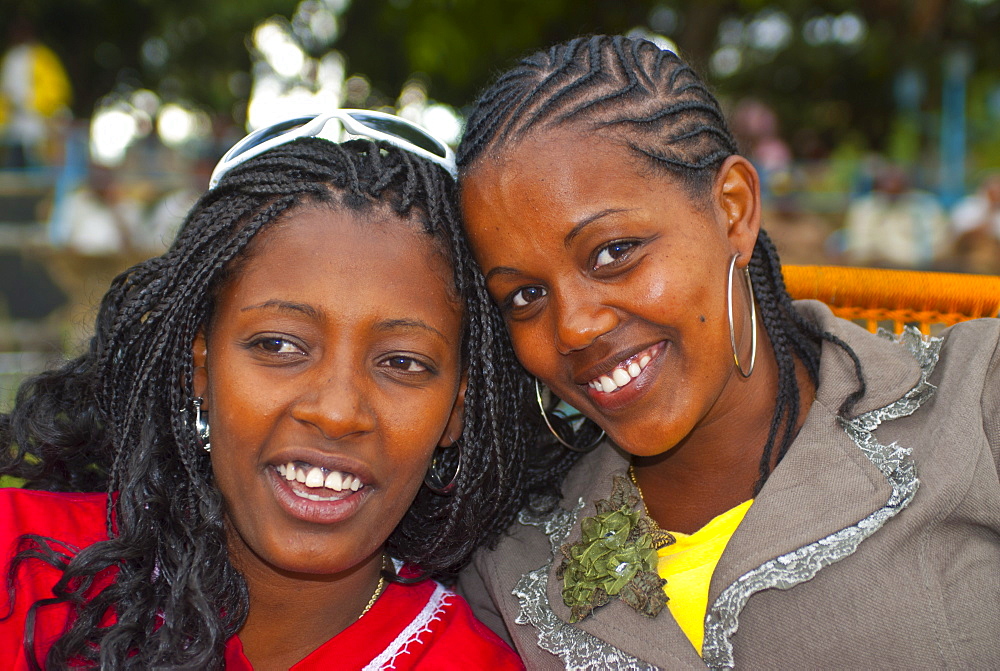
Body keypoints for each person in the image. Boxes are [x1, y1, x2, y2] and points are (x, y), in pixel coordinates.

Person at [454, 35, 1000, 669]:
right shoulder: (509, 555)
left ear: (733, 209)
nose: (573, 327)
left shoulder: (974, 403)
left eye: (613, 252)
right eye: (524, 295)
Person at [0, 110, 529, 669]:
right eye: (279, 346)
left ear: (457, 409)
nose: (336, 411)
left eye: (402, 361)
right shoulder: (22, 566)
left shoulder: (471, 659)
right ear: (199, 367)